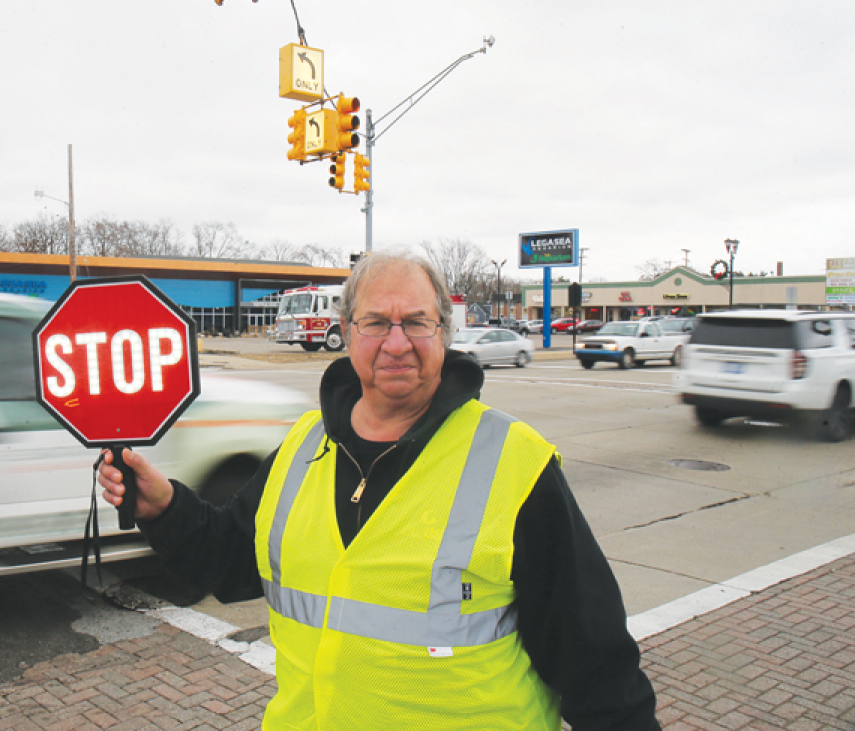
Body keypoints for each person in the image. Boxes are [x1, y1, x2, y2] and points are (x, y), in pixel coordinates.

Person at [98, 248, 661, 730]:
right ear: (347, 333)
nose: (397, 343)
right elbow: (232, 561)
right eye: (376, 323)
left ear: (444, 332)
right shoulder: (303, 445)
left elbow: (594, 657)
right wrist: (165, 507)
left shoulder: (514, 462)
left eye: (416, 322)